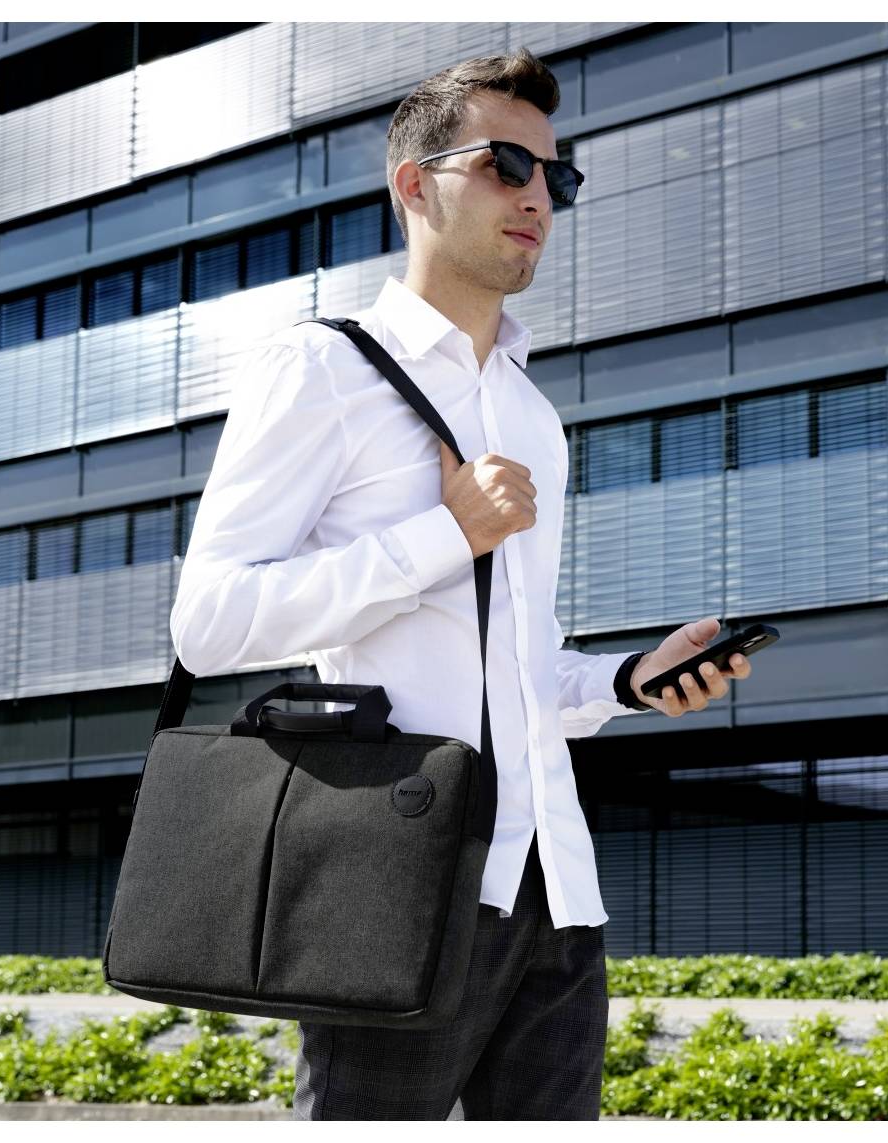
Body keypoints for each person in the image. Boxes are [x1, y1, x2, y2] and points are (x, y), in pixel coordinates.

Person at [169, 46, 752, 1121]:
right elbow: (210, 622)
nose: (539, 197)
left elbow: (519, 675)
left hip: (556, 896)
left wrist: (627, 681)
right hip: (400, 878)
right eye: (506, 166)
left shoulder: (533, 416)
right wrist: (445, 534)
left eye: (557, 179)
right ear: (413, 184)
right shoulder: (324, 369)